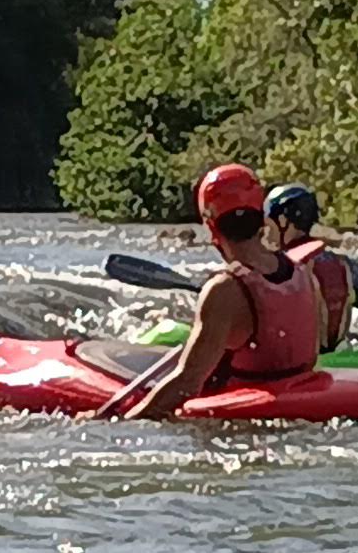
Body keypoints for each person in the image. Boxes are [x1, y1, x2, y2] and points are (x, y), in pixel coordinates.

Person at [105, 163, 324, 418]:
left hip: (242, 423)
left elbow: (187, 383)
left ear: (211, 227)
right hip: (301, 408)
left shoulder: (225, 290)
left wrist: (121, 422)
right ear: (262, 218)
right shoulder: (304, 275)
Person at [264, 180, 358, 347]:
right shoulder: (345, 265)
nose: (267, 233)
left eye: (269, 225)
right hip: (337, 351)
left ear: (283, 221)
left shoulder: (276, 270)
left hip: (296, 357)